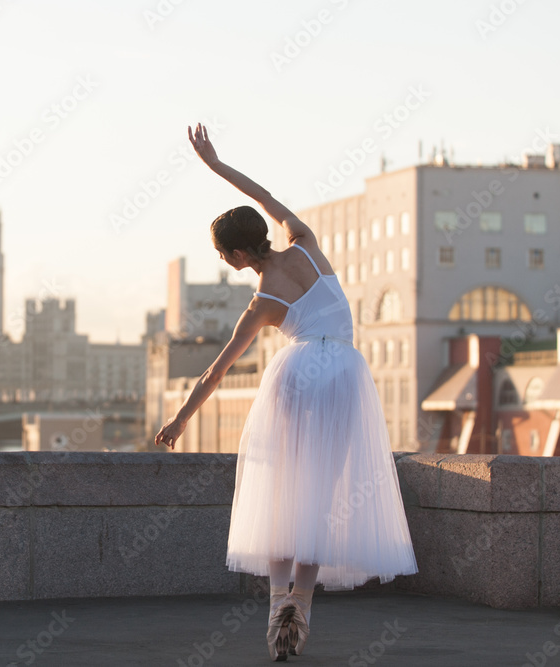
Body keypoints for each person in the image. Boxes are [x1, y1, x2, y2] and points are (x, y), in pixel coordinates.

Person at [154, 123, 418, 661]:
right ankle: (303, 601)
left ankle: (278, 606)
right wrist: (217, 166)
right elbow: (264, 195)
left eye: (222, 254)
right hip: (344, 371)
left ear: (236, 254)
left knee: (281, 491)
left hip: (297, 375)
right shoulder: (306, 244)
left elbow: (215, 373)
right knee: (320, 493)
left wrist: (180, 419)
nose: (223, 261)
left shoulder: (262, 303)